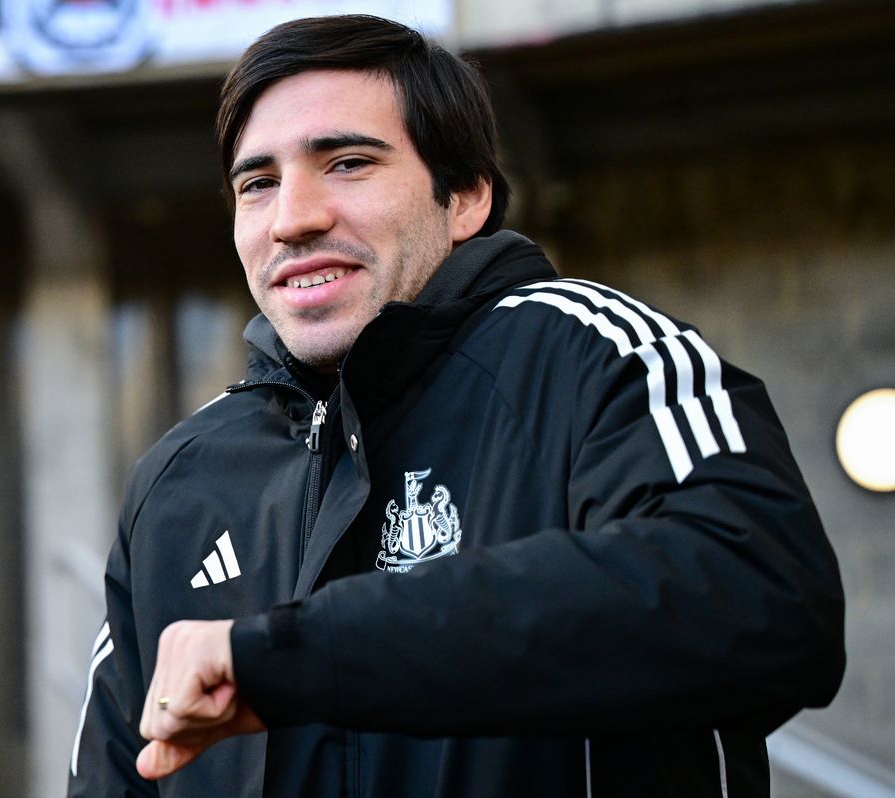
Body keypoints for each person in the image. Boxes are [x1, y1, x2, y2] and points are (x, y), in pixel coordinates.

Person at [68, 14, 844, 797]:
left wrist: (301, 655)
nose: (292, 218)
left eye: (347, 163)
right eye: (257, 184)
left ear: (466, 197)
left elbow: (766, 595)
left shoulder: (590, 354)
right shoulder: (178, 480)